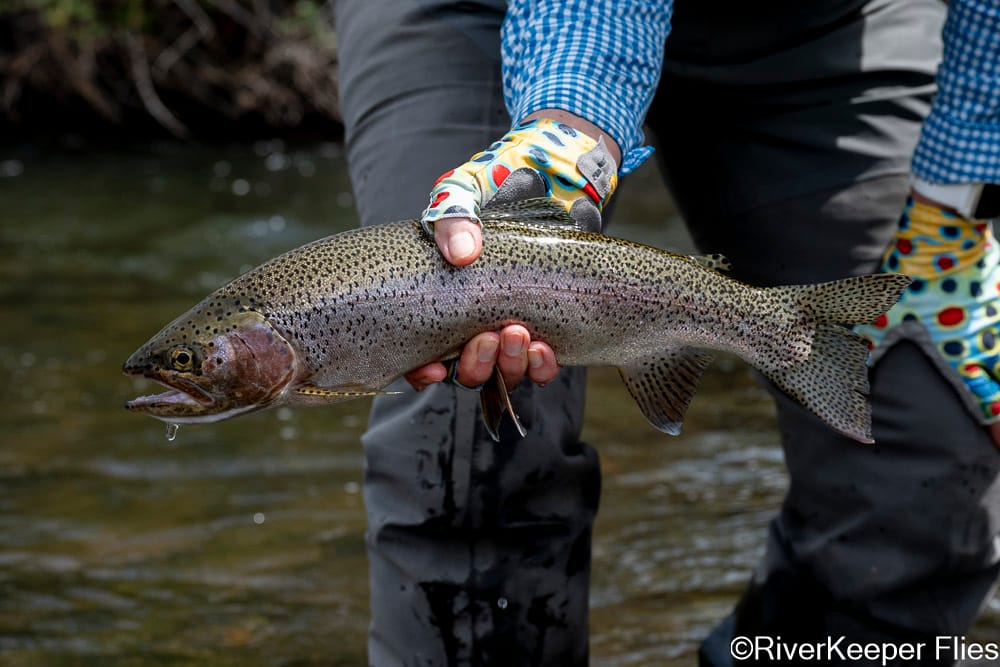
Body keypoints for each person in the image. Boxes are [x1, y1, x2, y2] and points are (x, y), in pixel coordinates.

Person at [333, 0, 1000, 665]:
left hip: (823, 26)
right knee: (466, 443)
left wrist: (956, 196)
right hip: (488, 17)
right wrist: (567, 141)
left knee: (929, 441)